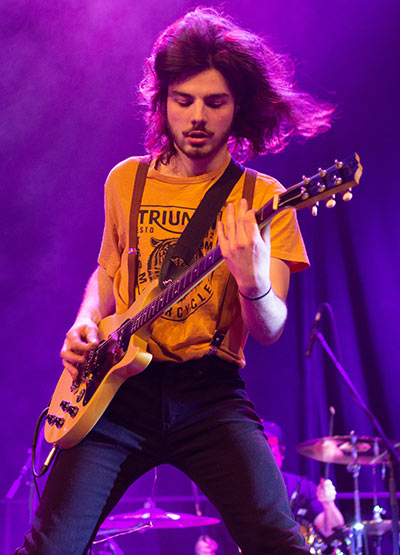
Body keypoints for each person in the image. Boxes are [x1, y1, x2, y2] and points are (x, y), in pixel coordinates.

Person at [17, 7, 334, 554]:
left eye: (215, 102)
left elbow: (271, 327)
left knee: (281, 544)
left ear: (238, 109)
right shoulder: (126, 180)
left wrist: (253, 280)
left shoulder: (264, 198)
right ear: (162, 101)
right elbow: (108, 274)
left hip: (208, 395)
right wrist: (84, 323)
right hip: (116, 392)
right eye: (183, 100)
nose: (197, 118)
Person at [194, 422, 345, 555]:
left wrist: (328, 504)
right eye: (255, 449)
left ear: (281, 453)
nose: (262, 456)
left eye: (269, 448)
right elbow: (210, 540)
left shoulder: (302, 487)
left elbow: (331, 530)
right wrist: (202, 548)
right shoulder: (228, 490)